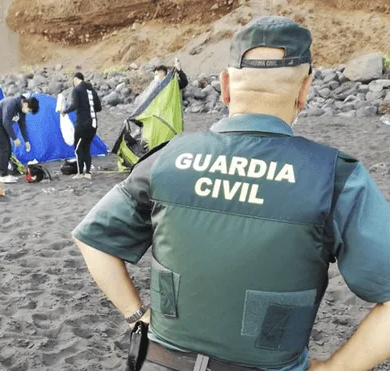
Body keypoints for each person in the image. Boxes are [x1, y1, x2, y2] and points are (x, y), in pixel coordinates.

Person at [72, 16, 390, 371]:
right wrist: (337, 367)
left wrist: (136, 315)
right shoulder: (335, 177)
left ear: (225, 86)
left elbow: (92, 240)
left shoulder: (168, 158)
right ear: (305, 90)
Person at [0, 94, 39, 183]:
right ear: (25, 104)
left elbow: (22, 125)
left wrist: (26, 141)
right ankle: (2, 175)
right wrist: (15, 138)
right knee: (2, 149)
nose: (28, 112)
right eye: (29, 110)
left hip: (2, 127)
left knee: (9, 150)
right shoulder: (11, 103)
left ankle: (5, 172)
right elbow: (6, 122)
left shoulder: (22, 110)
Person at [61, 72, 102, 180]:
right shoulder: (92, 90)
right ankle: (87, 172)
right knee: (86, 147)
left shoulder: (77, 90)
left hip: (83, 124)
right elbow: (98, 107)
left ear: (75, 79)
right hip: (93, 124)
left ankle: (80, 173)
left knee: (78, 149)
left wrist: (65, 111)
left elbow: (75, 105)